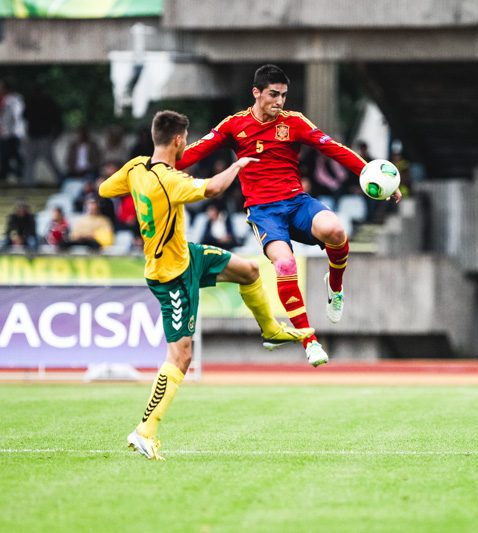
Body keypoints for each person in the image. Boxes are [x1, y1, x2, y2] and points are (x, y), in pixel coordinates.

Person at [99, 110, 313, 460]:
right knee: (181, 355)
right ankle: (144, 431)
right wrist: (239, 165)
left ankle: (270, 329)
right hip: (171, 275)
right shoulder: (170, 179)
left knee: (249, 271)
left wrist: (138, 194)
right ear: (180, 140)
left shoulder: (137, 167)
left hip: (188, 254)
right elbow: (212, 188)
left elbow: (106, 188)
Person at [175, 64, 402, 366]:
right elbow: (190, 154)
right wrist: (154, 167)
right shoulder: (234, 125)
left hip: (296, 203)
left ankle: (335, 285)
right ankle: (309, 341)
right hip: (264, 212)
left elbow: (334, 148)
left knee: (336, 231)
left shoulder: (293, 122)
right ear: (256, 93)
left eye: (283, 95)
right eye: (273, 94)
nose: (279, 101)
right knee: (284, 264)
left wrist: (375, 177)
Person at [23, 85, 64, 185]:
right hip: (33, 136)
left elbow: (57, 120)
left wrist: (55, 135)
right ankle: (28, 184)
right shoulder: (32, 102)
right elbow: (24, 115)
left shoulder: (49, 103)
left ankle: (62, 180)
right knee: (30, 161)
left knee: (49, 160)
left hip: (45, 136)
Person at [0, 79, 26, 182]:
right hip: (6, 133)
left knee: (15, 155)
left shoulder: (14, 100)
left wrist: (13, 130)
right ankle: (5, 175)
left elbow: (16, 116)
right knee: (5, 155)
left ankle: (20, 175)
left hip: (14, 133)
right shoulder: (5, 100)